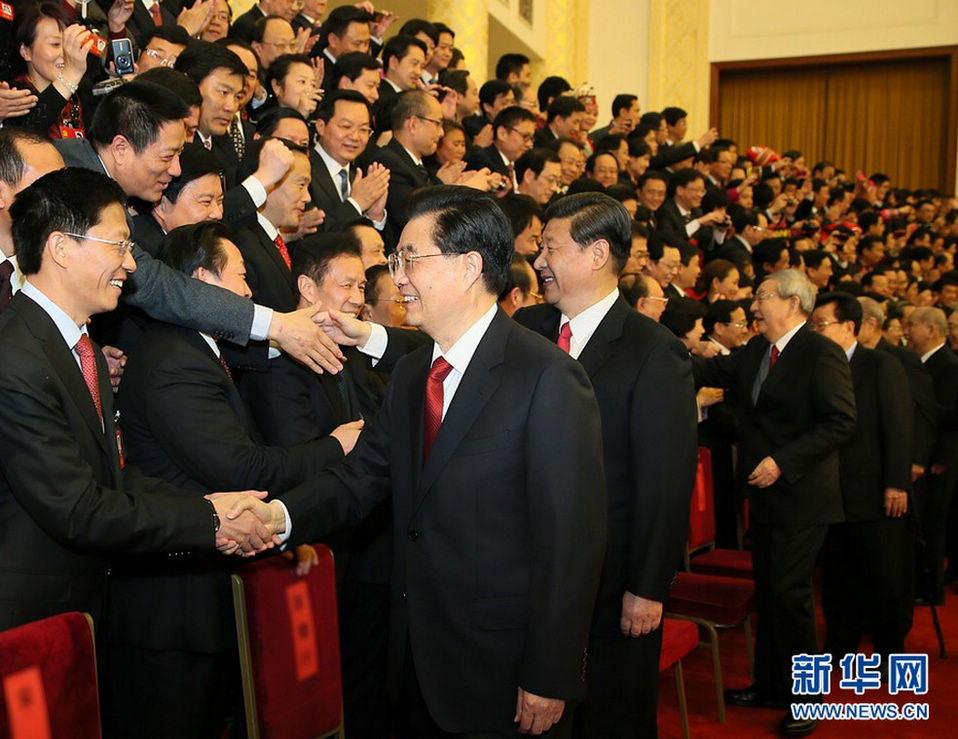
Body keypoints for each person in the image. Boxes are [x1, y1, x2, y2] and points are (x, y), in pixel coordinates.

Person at [230, 185, 607, 737]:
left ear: (469, 266)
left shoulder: (546, 377)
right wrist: (278, 517)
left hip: (499, 669)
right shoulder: (412, 375)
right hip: (411, 659)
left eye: (410, 258)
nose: (397, 275)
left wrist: (550, 673)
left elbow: (571, 541)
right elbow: (361, 478)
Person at [105, 221, 356, 738]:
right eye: (241, 278)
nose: (248, 293)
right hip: (173, 610)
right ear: (201, 280)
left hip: (199, 596)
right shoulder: (176, 360)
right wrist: (337, 447)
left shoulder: (197, 350)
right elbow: (243, 470)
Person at [0, 168, 269, 634]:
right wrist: (208, 518)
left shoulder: (81, 349)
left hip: (78, 610)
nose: (130, 264)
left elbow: (111, 480)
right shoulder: (15, 360)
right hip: (28, 623)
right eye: (119, 245)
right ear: (62, 248)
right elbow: (79, 509)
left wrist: (210, 503)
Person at [513, 192, 697, 738]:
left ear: (596, 254)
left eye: (550, 247)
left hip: (613, 580)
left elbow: (665, 482)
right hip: (526, 569)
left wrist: (649, 585)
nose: (540, 260)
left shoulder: (653, 351)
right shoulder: (525, 326)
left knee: (610, 715)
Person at [52, 80, 344, 375]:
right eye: (167, 156)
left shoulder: (105, 193)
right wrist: (275, 325)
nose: (176, 170)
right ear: (120, 148)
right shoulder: (68, 180)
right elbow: (157, 286)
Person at [693, 269, 856, 737]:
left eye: (762, 297)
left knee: (792, 597)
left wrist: (782, 462)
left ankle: (808, 699)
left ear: (792, 302)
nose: (754, 306)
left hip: (803, 498)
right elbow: (709, 371)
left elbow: (841, 422)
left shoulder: (819, 352)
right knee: (770, 594)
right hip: (765, 499)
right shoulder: (756, 352)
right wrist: (666, 348)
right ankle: (769, 685)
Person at [810, 292, 914, 669]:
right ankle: (840, 647)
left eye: (822, 325)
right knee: (837, 577)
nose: (815, 332)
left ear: (849, 327)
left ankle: (890, 655)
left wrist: (896, 482)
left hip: (875, 491)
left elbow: (899, 425)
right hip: (830, 493)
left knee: (883, 577)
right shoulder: (818, 364)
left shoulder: (879, 365)